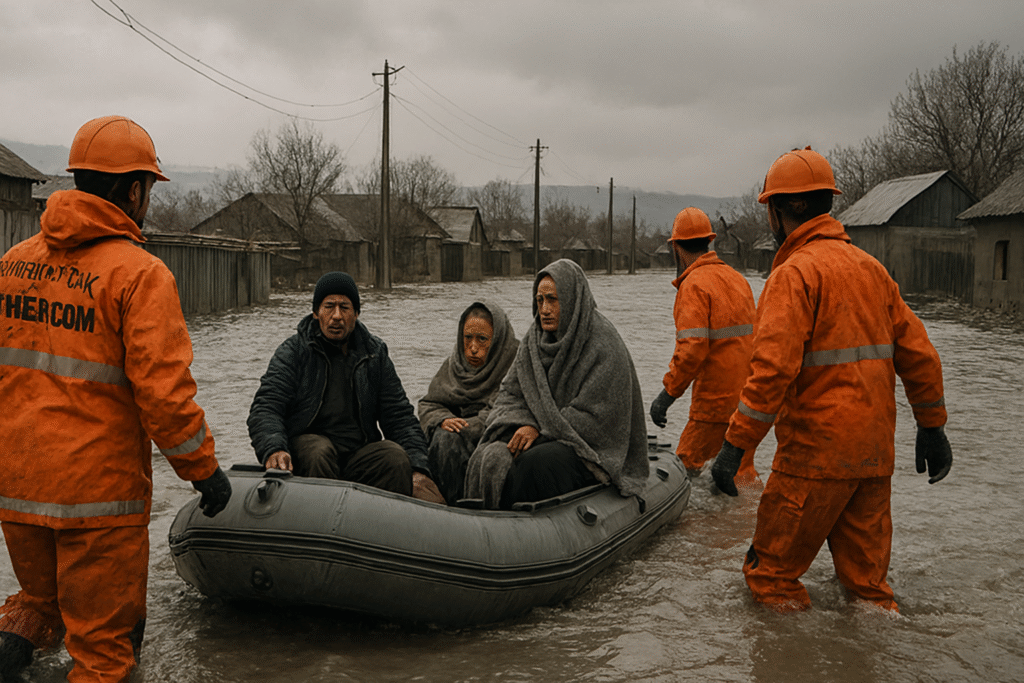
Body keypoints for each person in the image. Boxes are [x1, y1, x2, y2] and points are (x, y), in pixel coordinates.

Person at [0, 115, 232, 682]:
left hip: (17, 491)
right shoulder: (139, 274)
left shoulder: (12, 265)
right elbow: (165, 396)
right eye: (148, 188)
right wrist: (204, 472)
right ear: (135, 190)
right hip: (96, 502)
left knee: (39, 605)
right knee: (103, 651)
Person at [711, 147, 953, 613]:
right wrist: (932, 427)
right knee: (868, 594)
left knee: (771, 578)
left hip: (813, 459)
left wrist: (734, 447)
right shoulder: (872, 270)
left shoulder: (793, 275)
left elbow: (771, 375)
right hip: (874, 457)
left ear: (779, 210)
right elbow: (921, 356)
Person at [465, 259, 649, 510]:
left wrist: (538, 431)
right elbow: (510, 394)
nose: (545, 309)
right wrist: (524, 424)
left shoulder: (604, 345)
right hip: (547, 431)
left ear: (572, 298)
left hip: (589, 449)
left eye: (553, 299)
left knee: (536, 462)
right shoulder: (533, 341)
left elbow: (595, 419)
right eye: (539, 300)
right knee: (489, 455)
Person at [248, 271, 444, 503]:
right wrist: (274, 449)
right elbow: (266, 408)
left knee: (394, 457)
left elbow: (399, 416)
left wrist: (418, 467)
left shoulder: (374, 353)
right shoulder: (293, 352)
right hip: (309, 453)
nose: (337, 316)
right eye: (329, 306)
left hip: (357, 455)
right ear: (316, 312)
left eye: (345, 307)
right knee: (319, 451)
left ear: (357, 314)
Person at [649, 207, 760, 483]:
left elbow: (692, 349)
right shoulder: (738, 280)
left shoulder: (694, 285)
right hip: (747, 404)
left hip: (713, 407)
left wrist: (666, 395)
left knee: (685, 473)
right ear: (709, 241)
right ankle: (742, 526)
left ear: (676, 248)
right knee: (740, 477)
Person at [417, 302, 518, 504]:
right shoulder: (454, 365)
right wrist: (443, 419)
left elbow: (503, 411)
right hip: (454, 437)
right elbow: (429, 404)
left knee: (449, 439)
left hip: (497, 438)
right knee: (438, 437)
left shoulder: (514, 363)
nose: (472, 348)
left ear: (496, 340)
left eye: (482, 340)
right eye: (467, 338)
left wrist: (462, 427)